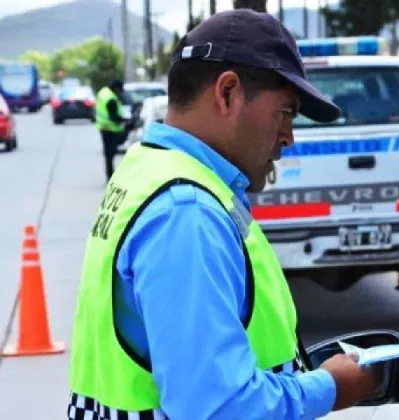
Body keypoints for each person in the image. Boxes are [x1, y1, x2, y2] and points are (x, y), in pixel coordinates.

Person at [68, 9, 381, 420]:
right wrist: (332, 387)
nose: (289, 135)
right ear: (228, 93)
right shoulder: (186, 212)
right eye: (285, 112)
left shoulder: (146, 168)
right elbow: (219, 408)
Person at [94, 79, 131, 181]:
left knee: (108, 155)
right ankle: (110, 177)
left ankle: (109, 176)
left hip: (103, 127)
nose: (120, 93)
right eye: (120, 90)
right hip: (110, 129)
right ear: (116, 89)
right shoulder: (111, 100)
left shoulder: (104, 92)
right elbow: (114, 118)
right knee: (110, 153)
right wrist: (127, 121)